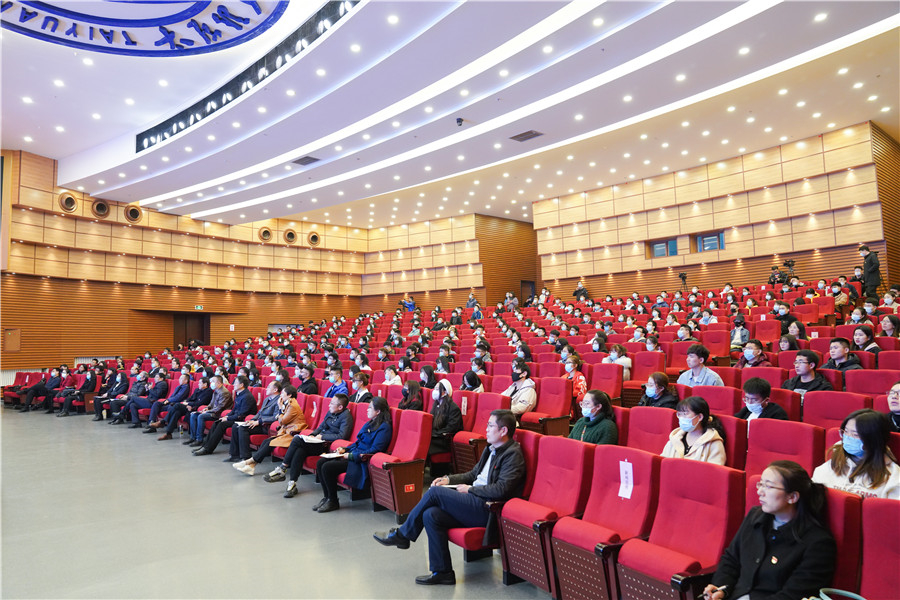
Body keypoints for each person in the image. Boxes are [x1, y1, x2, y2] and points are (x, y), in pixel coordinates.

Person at [373, 409, 525, 586]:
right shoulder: (490, 449)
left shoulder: (513, 454)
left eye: (490, 426)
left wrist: (470, 490)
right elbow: (473, 474)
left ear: (503, 430)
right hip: (474, 502)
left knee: (435, 493)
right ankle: (442, 572)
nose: (486, 429)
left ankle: (403, 534)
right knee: (431, 515)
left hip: (487, 509)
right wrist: (448, 479)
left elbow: (502, 490)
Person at [703, 460, 836, 600]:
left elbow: (793, 595)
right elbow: (731, 560)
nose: (759, 492)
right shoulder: (755, 517)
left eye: (768, 486)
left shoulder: (818, 542)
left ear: (792, 497)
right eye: (760, 484)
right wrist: (721, 588)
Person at [314, 397, 393, 513]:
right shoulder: (370, 423)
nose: (367, 410)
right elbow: (358, 442)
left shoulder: (384, 427)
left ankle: (333, 501)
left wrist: (350, 456)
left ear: (378, 411)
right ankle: (327, 497)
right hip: (354, 454)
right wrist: (345, 449)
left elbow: (376, 449)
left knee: (327, 467)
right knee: (321, 462)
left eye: (370, 408)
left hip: (361, 461)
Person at [267, 394, 353, 498]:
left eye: (332, 403)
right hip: (317, 441)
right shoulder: (331, 412)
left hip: (326, 445)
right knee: (300, 450)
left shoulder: (346, 417)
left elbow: (342, 436)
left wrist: (322, 437)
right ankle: (292, 483)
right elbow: (320, 427)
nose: (329, 405)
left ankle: (283, 467)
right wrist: (312, 435)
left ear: (340, 407)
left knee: (297, 439)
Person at [812, 409, 899, 499]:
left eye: (855, 435)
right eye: (846, 432)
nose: (848, 438)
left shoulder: (893, 477)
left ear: (874, 439)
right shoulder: (835, 461)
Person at [234, 384, 307, 476]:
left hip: (293, 433)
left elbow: (282, 421)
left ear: (289, 395)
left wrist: (280, 408)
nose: (280, 395)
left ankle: (248, 462)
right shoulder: (288, 403)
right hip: (286, 431)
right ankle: (251, 466)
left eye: (282, 393)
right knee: (266, 441)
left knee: (270, 443)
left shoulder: (293, 405)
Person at [192, 376, 254, 456]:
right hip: (236, 417)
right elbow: (234, 410)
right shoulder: (239, 394)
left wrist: (228, 418)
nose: (233, 385)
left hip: (243, 420)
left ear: (241, 385)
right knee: (217, 422)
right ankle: (205, 446)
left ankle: (208, 449)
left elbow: (242, 415)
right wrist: (227, 416)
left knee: (221, 424)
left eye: (235, 383)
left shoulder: (247, 396)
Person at [227, 380, 284, 464]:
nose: (266, 389)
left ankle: (246, 457)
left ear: (275, 390)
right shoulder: (267, 399)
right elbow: (259, 412)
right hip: (258, 423)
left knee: (242, 429)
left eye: (269, 387)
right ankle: (234, 455)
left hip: (265, 426)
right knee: (236, 426)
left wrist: (259, 421)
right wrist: (252, 420)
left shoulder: (279, 401)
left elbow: (275, 417)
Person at [661, 396, 726, 465]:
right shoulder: (675, 438)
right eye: (680, 414)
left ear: (700, 417)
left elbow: (714, 470)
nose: (681, 418)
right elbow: (662, 463)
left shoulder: (714, 444)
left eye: (685, 414)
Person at [186, 376, 233, 445]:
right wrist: (207, 408)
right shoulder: (216, 390)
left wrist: (207, 411)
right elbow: (211, 404)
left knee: (201, 416)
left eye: (213, 381)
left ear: (219, 383)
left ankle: (199, 439)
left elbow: (220, 408)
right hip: (213, 411)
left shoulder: (224, 392)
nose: (211, 383)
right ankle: (193, 437)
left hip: (218, 413)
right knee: (193, 415)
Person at [428, 380, 463, 462]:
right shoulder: (436, 405)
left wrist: (435, 434)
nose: (434, 391)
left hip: (444, 440)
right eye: (435, 389)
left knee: (424, 443)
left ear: (445, 392)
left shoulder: (453, 408)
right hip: (436, 436)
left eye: (437, 389)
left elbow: (451, 428)